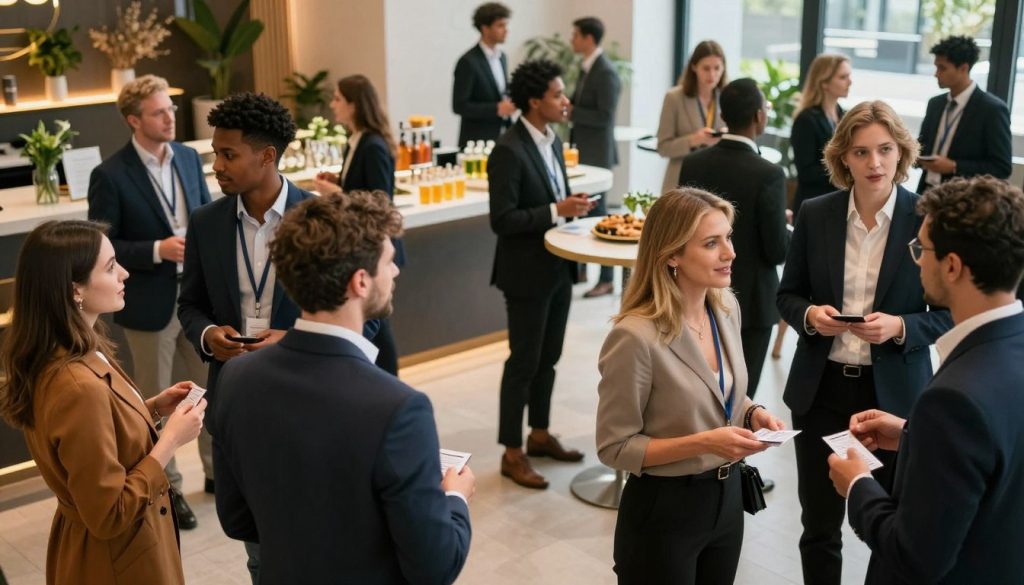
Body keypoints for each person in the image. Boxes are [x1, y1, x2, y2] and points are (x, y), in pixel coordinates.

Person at [214, 192, 474, 584]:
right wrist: (454, 498)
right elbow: (435, 567)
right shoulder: (400, 408)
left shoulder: (236, 378)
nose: (396, 272)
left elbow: (236, 519)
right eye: (390, 262)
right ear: (361, 281)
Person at [176, 92, 376, 583]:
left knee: (324, 541)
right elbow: (189, 304)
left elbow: (365, 316)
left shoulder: (325, 219)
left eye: (228, 154)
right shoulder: (206, 223)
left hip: (315, 398)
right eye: (215, 154)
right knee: (260, 551)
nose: (216, 166)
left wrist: (295, 338)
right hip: (239, 400)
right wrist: (207, 335)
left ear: (267, 156)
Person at [776, 100, 953, 585]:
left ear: (901, 153)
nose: (874, 163)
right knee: (818, 527)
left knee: (897, 524)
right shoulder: (816, 214)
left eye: (885, 149)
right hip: (822, 392)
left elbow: (950, 310)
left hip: (895, 398)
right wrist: (810, 315)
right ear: (843, 159)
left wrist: (900, 327)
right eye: (861, 152)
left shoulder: (928, 217)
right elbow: (786, 294)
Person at [828, 175, 1024, 584]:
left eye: (922, 249)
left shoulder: (954, 401)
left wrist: (859, 485)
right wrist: (914, 435)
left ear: (952, 265)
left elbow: (915, 556)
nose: (917, 260)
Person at [0, 220, 206, 585]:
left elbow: (99, 434)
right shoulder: (76, 384)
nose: (125, 273)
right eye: (111, 267)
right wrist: (170, 440)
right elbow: (109, 512)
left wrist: (153, 408)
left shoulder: (77, 348)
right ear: (74, 289)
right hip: (118, 561)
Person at [596, 188, 786, 584]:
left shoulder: (725, 307)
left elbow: (721, 393)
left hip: (727, 500)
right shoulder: (635, 337)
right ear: (671, 256)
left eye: (728, 237)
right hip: (664, 511)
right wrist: (706, 442)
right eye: (711, 243)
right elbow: (614, 447)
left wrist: (752, 413)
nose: (730, 253)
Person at [87, 74, 212, 529]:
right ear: (133, 120)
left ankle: (218, 474)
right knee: (152, 406)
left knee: (206, 388)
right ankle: (169, 487)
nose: (171, 117)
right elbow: (103, 244)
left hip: (196, 297)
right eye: (160, 112)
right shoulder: (110, 175)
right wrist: (158, 249)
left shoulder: (188, 157)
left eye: (172, 109)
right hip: (148, 300)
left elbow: (204, 214)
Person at [488, 59, 595, 489]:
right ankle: (511, 454)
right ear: (534, 102)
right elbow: (503, 220)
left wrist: (568, 204)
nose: (565, 100)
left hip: (557, 267)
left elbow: (551, 198)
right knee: (524, 363)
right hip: (525, 273)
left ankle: (539, 434)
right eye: (557, 94)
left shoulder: (551, 142)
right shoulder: (508, 150)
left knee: (548, 359)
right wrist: (556, 209)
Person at [677, 78, 789, 413]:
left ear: (723, 115)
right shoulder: (769, 173)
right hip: (752, 302)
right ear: (759, 116)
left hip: (696, 293)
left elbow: (683, 230)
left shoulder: (693, 163)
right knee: (739, 398)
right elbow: (776, 250)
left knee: (696, 393)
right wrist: (787, 227)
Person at [313, 74, 404, 375]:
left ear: (354, 105)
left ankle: (388, 385)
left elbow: (380, 203)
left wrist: (337, 193)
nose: (332, 104)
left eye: (338, 98)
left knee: (378, 326)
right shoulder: (356, 142)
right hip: (362, 246)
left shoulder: (373, 145)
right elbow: (362, 187)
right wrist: (339, 182)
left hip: (377, 250)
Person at [916, 35, 1012, 193]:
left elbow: (1001, 167)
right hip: (926, 192)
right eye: (936, 67)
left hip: (964, 200)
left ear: (963, 69)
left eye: (942, 68)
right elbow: (923, 146)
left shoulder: (992, 109)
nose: (936, 74)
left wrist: (954, 166)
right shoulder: (935, 104)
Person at [569, 16, 622, 298]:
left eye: (575, 35)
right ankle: (579, 270)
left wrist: (572, 111)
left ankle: (606, 278)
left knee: (601, 217)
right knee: (581, 212)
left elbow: (604, 116)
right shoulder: (587, 68)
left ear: (588, 38)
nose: (571, 40)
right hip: (584, 153)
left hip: (597, 155)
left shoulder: (606, 72)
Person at [656, 40, 728, 195]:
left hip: (717, 182)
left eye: (717, 68)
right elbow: (663, 147)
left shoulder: (726, 98)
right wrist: (693, 140)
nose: (712, 75)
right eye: (706, 68)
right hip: (681, 182)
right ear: (694, 67)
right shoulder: (674, 97)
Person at [790, 54, 851, 215]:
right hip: (814, 204)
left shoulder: (843, 114)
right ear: (824, 82)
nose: (850, 82)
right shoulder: (806, 119)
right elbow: (806, 172)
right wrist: (846, 167)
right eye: (843, 77)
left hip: (837, 201)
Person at [453, 2, 515, 147]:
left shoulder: (502, 57)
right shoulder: (468, 62)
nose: (506, 30)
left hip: (502, 136)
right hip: (476, 141)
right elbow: (459, 105)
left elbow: (500, 92)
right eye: (500, 26)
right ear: (485, 28)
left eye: (506, 25)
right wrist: (496, 109)